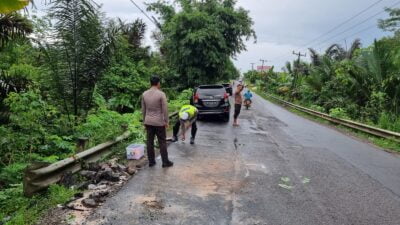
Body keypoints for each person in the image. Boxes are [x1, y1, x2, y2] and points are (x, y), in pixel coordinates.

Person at [141, 76, 173, 168]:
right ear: (158, 83)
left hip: (148, 121)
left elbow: (143, 110)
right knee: (162, 141)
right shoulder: (161, 94)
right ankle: (165, 162)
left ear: (150, 83)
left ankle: (151, 162)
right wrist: (166, 121)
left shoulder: (144, 94)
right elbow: (165, 109)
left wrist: (144, 121)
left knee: (149, 142)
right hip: (159, 122)